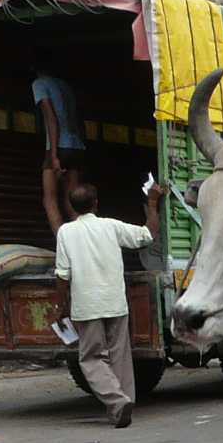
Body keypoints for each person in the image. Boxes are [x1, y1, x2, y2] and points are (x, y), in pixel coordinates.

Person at [52, 181, 161, 428]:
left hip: (86, 306)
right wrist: (152, 204)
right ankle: (124, 403)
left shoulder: (66, 233)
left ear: (71, 207)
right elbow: (147, 235)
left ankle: (117, 403)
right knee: (120, 356)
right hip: (115, 303)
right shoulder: (111, 226)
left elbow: (62, 275)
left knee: (91, 358)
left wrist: (62, 306)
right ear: (96, 204)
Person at [31, 59, 88, 237]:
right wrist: (83, 151)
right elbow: (80, 120)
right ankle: (80, 243)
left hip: (59, 146)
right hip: (76, 147)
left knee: (49, 200)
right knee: (72, 200)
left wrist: (54, 155)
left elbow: (51, 117)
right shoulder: (66, 86)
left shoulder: (40, 84)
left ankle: (64, 244)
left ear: (32, 67)